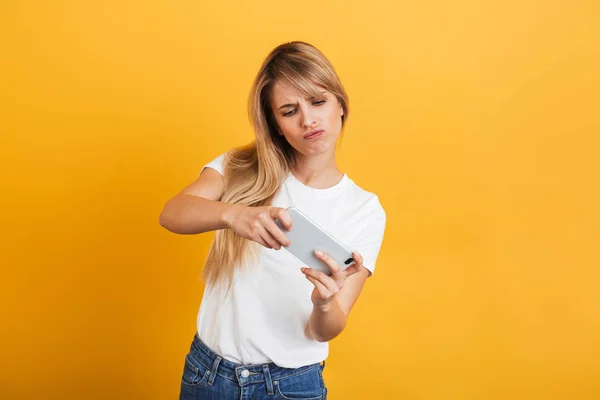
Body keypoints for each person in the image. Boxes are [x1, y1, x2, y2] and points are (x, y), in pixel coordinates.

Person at [159, 41, 387, 400]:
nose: (307, 120)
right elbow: (171, 213)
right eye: (289, 110)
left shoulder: (364, 210)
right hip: (208, 375)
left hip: (291, 387)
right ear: (276, 125)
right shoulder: (239, 167)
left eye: (318, 101)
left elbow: (325, 330)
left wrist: (324, 303)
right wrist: (234, 215)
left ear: (340, 104)